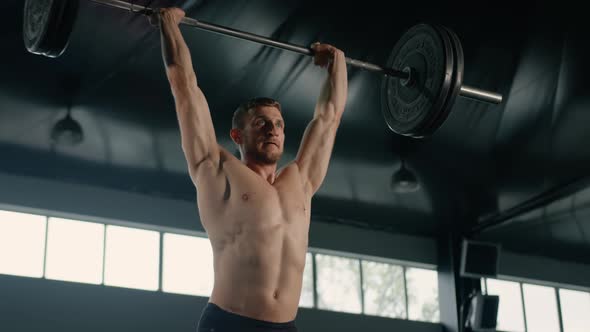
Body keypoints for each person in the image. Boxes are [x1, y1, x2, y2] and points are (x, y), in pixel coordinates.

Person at [153, 7, 348, 332]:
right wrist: (169, 24)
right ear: (237, 135)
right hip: (230, 322)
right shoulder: (216, 170)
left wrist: (336, 66)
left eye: (278, 124)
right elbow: (184, 87)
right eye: (261, 123)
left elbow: (329, 116)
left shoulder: (301, 181)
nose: (272, 130)